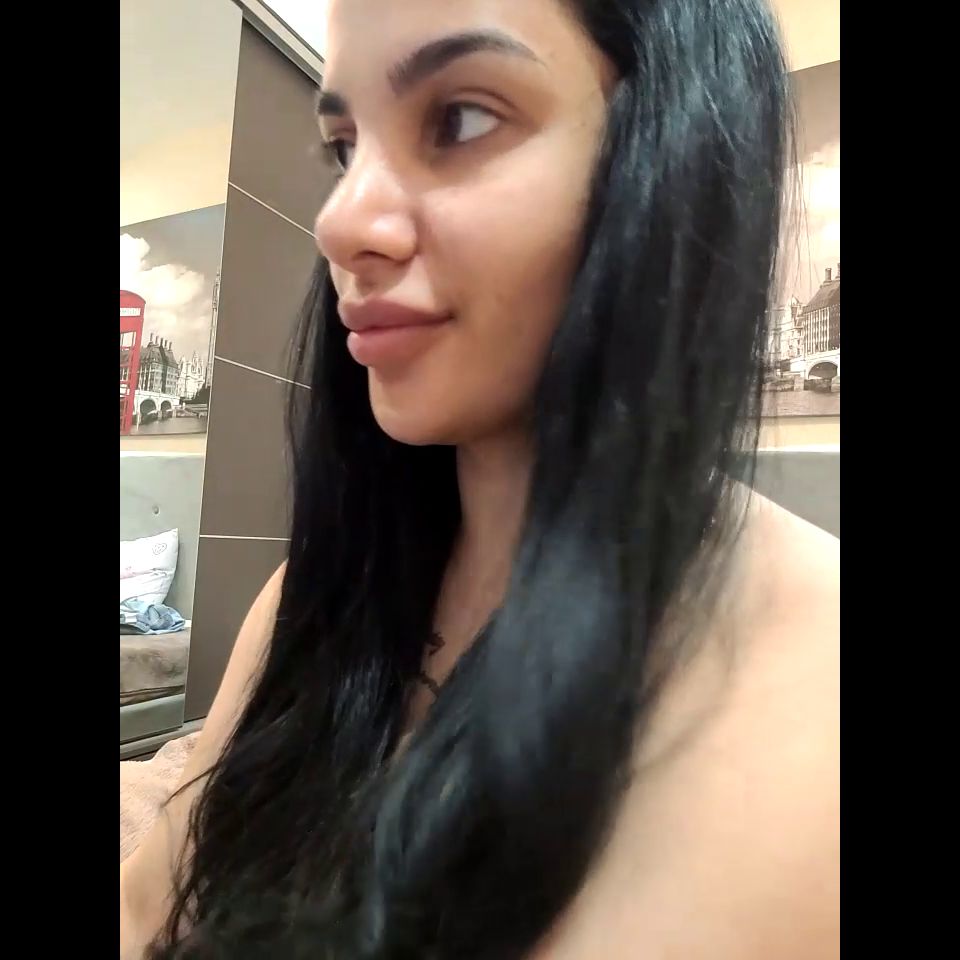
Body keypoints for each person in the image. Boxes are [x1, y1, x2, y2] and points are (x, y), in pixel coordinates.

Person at [120, 0, 840, 956]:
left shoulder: (814, 691)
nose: (339, 222)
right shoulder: (313, 602)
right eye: (345, 149)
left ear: (668, 155)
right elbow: (148, 912)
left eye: (458, 120)